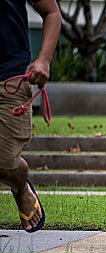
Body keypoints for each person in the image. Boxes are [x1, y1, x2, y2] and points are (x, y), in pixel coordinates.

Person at [0, 0, 61, 232]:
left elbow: (52, 12)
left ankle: (20, 183)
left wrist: (44, 59)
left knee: (4, 162)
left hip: (9, 81)